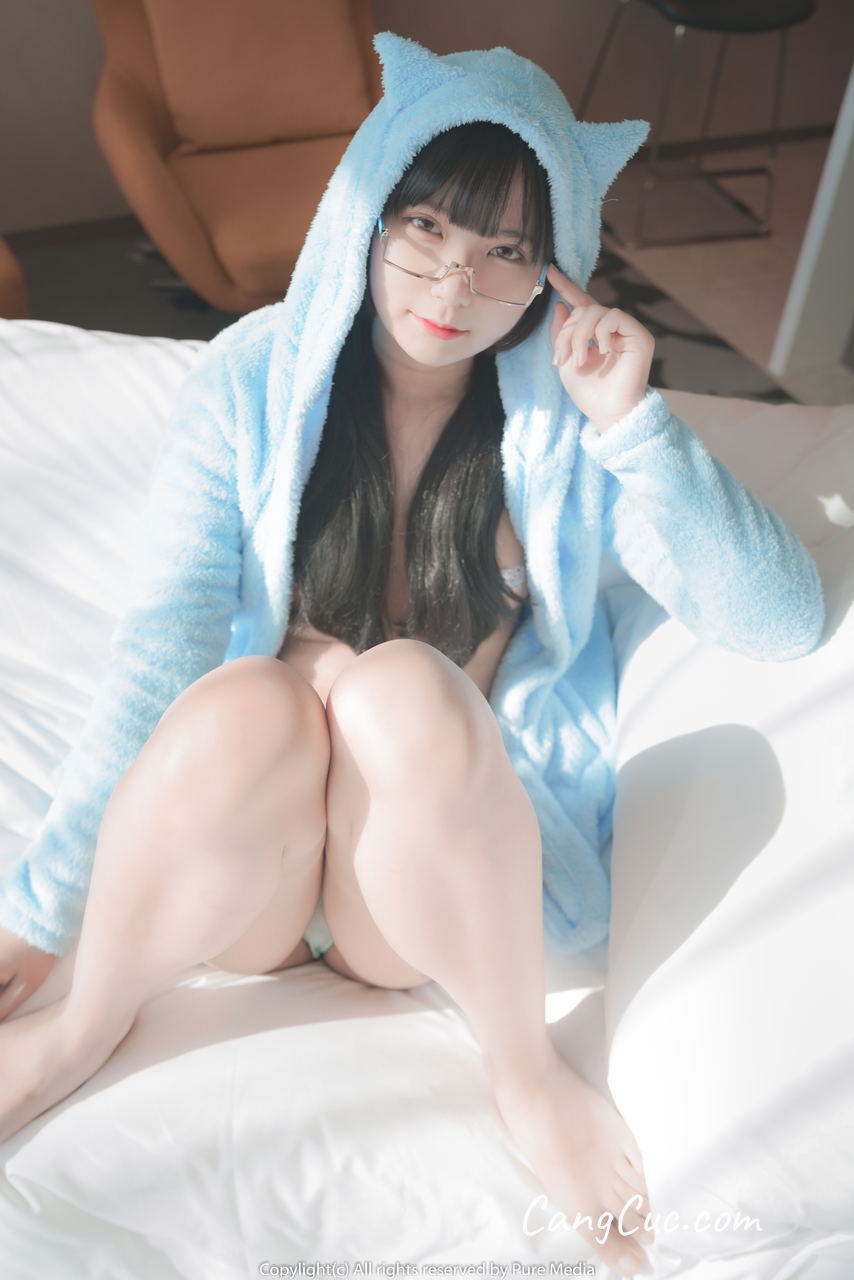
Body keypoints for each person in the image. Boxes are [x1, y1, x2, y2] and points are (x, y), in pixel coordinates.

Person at [0, 34, 823, 1277]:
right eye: (426, 225)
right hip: (250, 872)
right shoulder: (253, 379)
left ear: (553, 268)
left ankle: (522, 1074)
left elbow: (777, 619)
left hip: (413, 897)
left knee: (397, 683)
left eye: (505, 249)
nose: (454, 278)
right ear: (367, 211)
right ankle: (78, 1028)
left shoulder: (554, 426)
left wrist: (632, 425)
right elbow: (160, 645)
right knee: (244, 701)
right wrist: (41, 911)